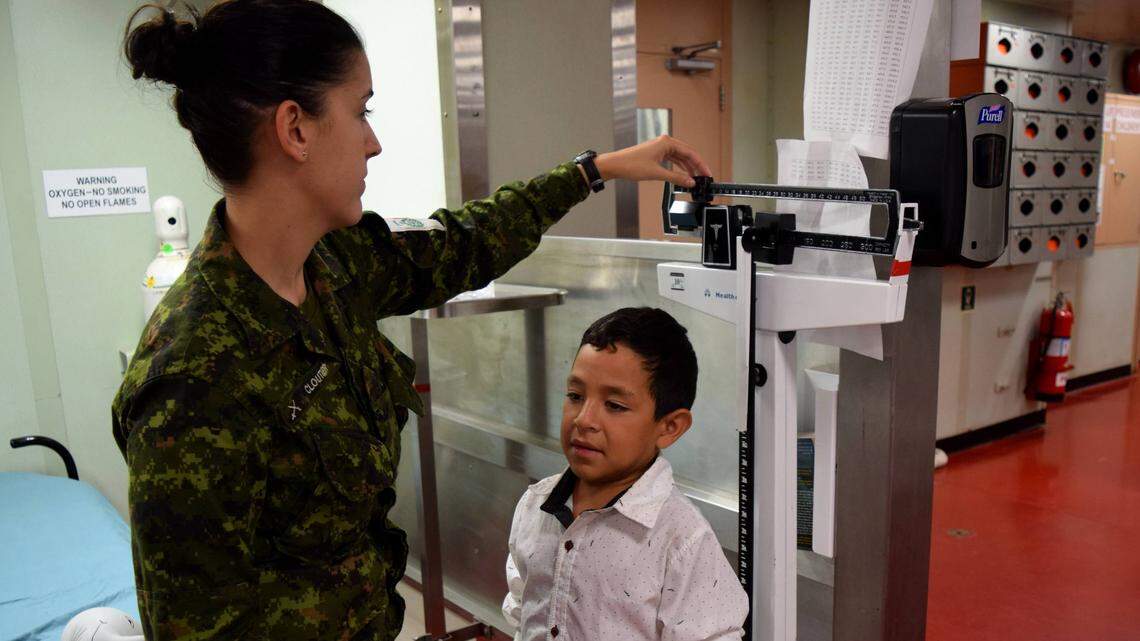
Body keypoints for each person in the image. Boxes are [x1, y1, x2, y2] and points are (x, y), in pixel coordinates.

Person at [111, 1, 711, 640]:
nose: (373, 141)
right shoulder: (195, 373)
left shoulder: (335, 266)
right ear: (295, 129)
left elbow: (464, 242)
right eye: (361, 110)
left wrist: (596, 171)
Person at [503, 308, 749, 641]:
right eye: (575, 396)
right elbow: (522, 605)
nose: (584, 420)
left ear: (669, 427)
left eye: (615, 405)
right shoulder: (534, 506)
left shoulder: (682, 541)